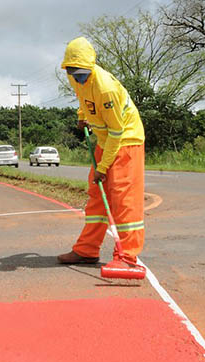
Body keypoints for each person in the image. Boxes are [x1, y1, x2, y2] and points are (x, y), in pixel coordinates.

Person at [58, 37, 145, 269]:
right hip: (104, 140)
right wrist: (82, 116)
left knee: (123, 200)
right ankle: (87, 250)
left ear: (91, 66)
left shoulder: (105, 88)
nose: (78, 77)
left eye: (82, 73)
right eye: (73, 72)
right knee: (97, 195)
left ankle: (127, 257)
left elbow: (117, 131)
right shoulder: (74, 76)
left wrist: (103, 167)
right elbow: (83, 97)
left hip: (126, 140)